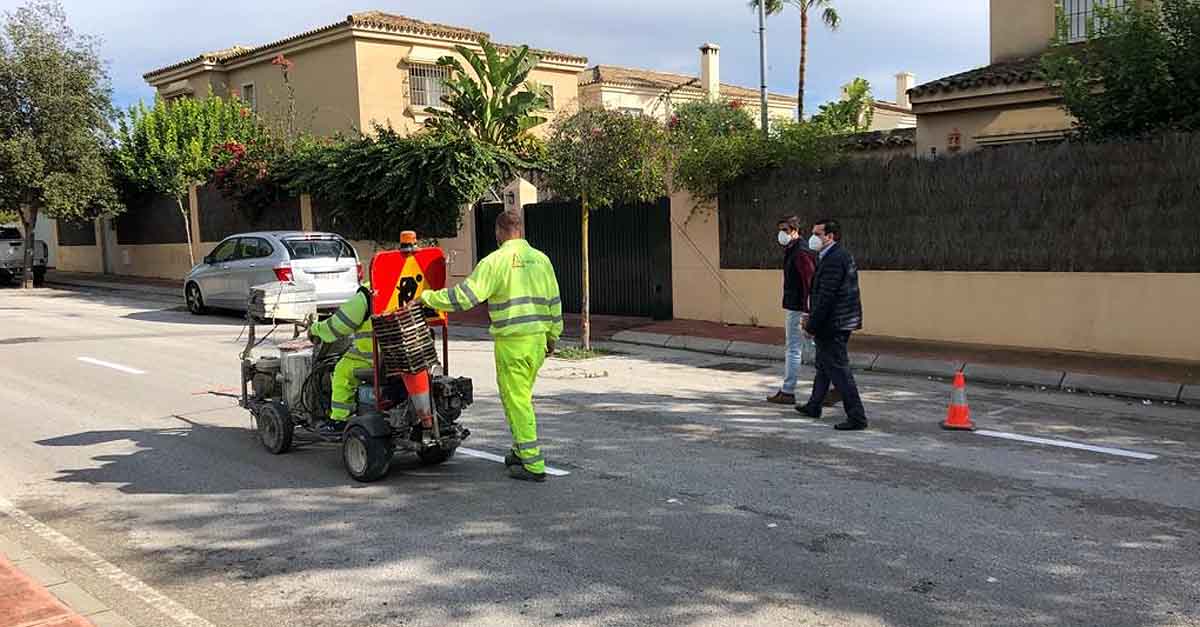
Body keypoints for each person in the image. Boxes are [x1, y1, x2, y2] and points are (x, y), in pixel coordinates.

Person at [421, 210, 563, 482]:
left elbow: (465, 297)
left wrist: (427, 298)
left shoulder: (495, 261)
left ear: (499, 231)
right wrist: (553, 335)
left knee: (517, 402)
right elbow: (554, 301)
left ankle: (532, 465)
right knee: (520, 398)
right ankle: (520, 450)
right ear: (520, 230)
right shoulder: (542, 260)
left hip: (513, 344)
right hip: (537, 343)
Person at [796, 219, 868, 431]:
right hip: (835, 321)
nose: (813, 238)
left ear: (830, 236)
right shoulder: (828, 256)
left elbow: (827, 297)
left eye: (817, 234)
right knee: (824, 366)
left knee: (838, 370)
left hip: (834, 323)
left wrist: (811, 326)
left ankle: (857, 416)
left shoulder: (836, 259)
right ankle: (814, 405)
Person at [308, 278, 375, 437]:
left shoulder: (370, 292)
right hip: (409, 355)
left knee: (341, 370)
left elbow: (340, 324)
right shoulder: (416, 280)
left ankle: (339, 420)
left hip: (373, 356)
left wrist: (315, 329)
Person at [767, 216, 816, 405]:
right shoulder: (793, 250)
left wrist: (807, 311)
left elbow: (809, 283)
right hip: (798, 306)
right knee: (811, 347)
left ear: (795, 230)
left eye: (786, 230)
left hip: (798, 308)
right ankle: (833, 384)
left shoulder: (800, 252)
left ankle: (788, 391)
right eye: (780, 229)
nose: (782, 234)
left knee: (795, 348)